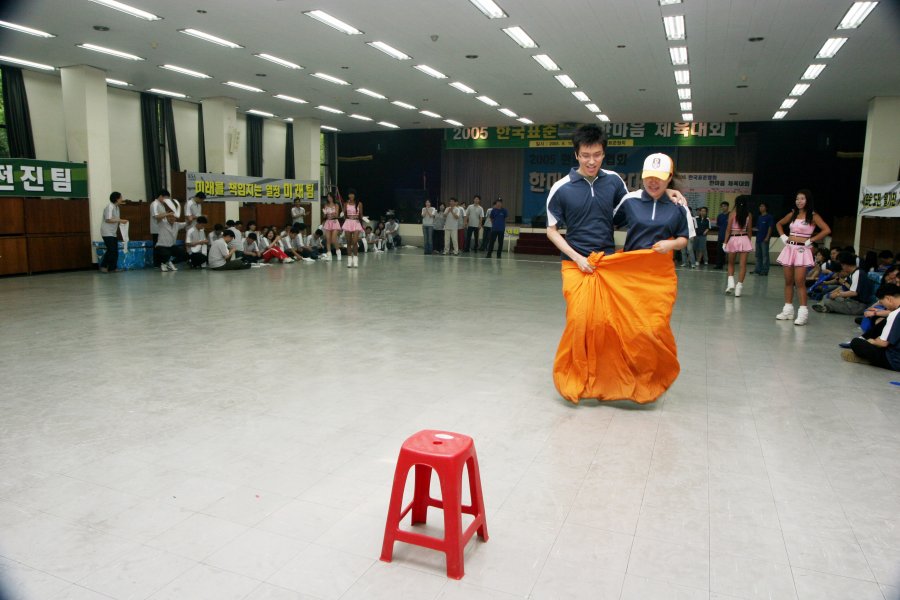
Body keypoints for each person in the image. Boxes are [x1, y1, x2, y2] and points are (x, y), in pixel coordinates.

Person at [546, 127, 687, 405]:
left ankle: (606, 379)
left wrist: (667, 190)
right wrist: (577, 258)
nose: (591, 161)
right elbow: (551, 231)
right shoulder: (561, 188)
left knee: (609, 325)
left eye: (597, 154)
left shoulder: (613, 181)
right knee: (579, 321)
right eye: (586, 155)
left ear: (603, 154)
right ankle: (575, 377)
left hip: (607, 264)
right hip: (575, 266)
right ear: (576, 154)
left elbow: (636, 202)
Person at [774, 189, 832, 326]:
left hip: (802, 249)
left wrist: (811, 240)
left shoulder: (813, 215)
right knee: (788, 281)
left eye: (802, 199)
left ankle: (803, 313)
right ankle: (788, 310)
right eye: (797, 199)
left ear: (808, 200)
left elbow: (826, 230)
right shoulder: (793, 214)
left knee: (799, 282)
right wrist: (783, 236)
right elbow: (779, 224)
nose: (799, 201)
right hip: (789, 248)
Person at [842, 283, 900, 370]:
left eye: (883, 303)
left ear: (888, 299)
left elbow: (882, 343)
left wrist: (872, 341)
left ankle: (868, 359)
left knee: (856, 342)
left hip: (894, 361)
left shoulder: (895, 314)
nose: (885, 307)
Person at [812, 251, 872, 315]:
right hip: (852, 301)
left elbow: (854, 292)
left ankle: (827, 307)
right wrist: (834, 293)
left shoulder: (858, 273)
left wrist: (837, 294)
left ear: (845, 264)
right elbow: (847, 287)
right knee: (827, 297)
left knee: (828, 301)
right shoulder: (853, 273)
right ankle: (827, 307)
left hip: (858, 305)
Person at [723, 196, 753, 296]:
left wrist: (725, 242)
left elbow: (728, 230)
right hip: (744, 238)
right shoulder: (749, 214)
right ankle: (739, 287)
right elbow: (749, 230)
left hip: (733, 239)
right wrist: (748, 242)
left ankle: (731, 283)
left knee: (731, 263)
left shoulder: (732, 214)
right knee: (742, 265)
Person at [99, 191, 127, 273]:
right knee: (111, 249)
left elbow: (115, 219)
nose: (122, 199)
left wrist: (121, 221)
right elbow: (108, 219)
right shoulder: (110, 207)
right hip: (107, 232)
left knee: (115, 250)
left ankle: (112, 268)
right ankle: (103, 266)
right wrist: (120, 220)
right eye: (121, 198)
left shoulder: (117, 207)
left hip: (113, 232)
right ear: (116, 199)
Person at [149, 189, 175, 266]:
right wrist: (167, 214)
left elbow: (162, 215)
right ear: (161, 196)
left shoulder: (161, 205)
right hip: (156, 229)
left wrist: (166, 213)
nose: (166, 200)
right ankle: (157, 264)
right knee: (157, 247)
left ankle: (162, 262)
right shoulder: (154, 204)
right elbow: (156, 216)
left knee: (162, 247)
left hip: (162, 229)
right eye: (166, 198)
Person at [341, 189, 364, 268]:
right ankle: (349, 260)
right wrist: (345, 217)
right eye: (349, 194)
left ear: (355, 195)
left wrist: (363, 220)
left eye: (352, 194)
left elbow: (361, 215)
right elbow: (344, 214)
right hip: (348, 222)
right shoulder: (346, 203)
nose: (351, 195)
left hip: (356, 223)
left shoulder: (359, 204)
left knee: (354, 242)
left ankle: (355, 259)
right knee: (348, 242)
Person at [753, 201, 774, 275]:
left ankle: (765, 271)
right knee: (758, 255)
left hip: (764, 239)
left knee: (765, 255)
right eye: (760, 206)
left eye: (762, 206)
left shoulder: (769, 217)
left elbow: (770, 227)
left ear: (766, 208)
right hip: (758, 239)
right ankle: (757, 270)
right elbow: (757, 228)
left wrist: (767, 237)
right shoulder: (759, 217)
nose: (760, 208)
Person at [322, 193, 341, 260]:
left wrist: (331, 213)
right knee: (328, 240)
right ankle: (329, 255)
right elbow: (324, 216)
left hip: (334, 222)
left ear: (333, 197)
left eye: (330, 197)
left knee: (333, 239)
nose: (329, 198)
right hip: (328, 222)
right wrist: (325, 213)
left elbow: (337, 215)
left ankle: (338, 252)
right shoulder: (326, 205)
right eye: (328, 197)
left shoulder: (336, 205)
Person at [714, 201, 730, 269]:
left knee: (729, 251)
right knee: (720, 251)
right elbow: (718, 225)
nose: (723, 207)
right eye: (722, 206)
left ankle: (729, 266)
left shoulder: (730, 215)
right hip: (721, 236)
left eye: (725, 206)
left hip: (729, 236)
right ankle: (719, 265)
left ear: (728, 207)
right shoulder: (720, 216)